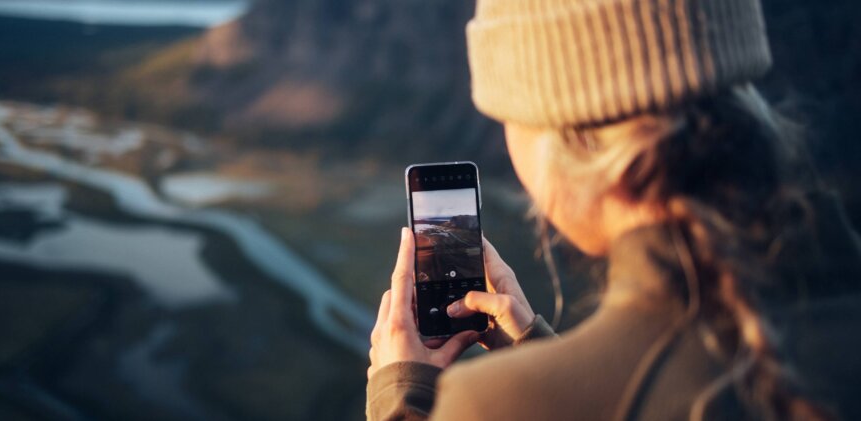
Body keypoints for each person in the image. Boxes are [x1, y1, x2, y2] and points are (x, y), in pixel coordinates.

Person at [366, 0, 861, 419]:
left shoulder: (494, 404)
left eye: (508, 119)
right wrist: (545, 358)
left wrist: (403, 397)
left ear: (575, 140)